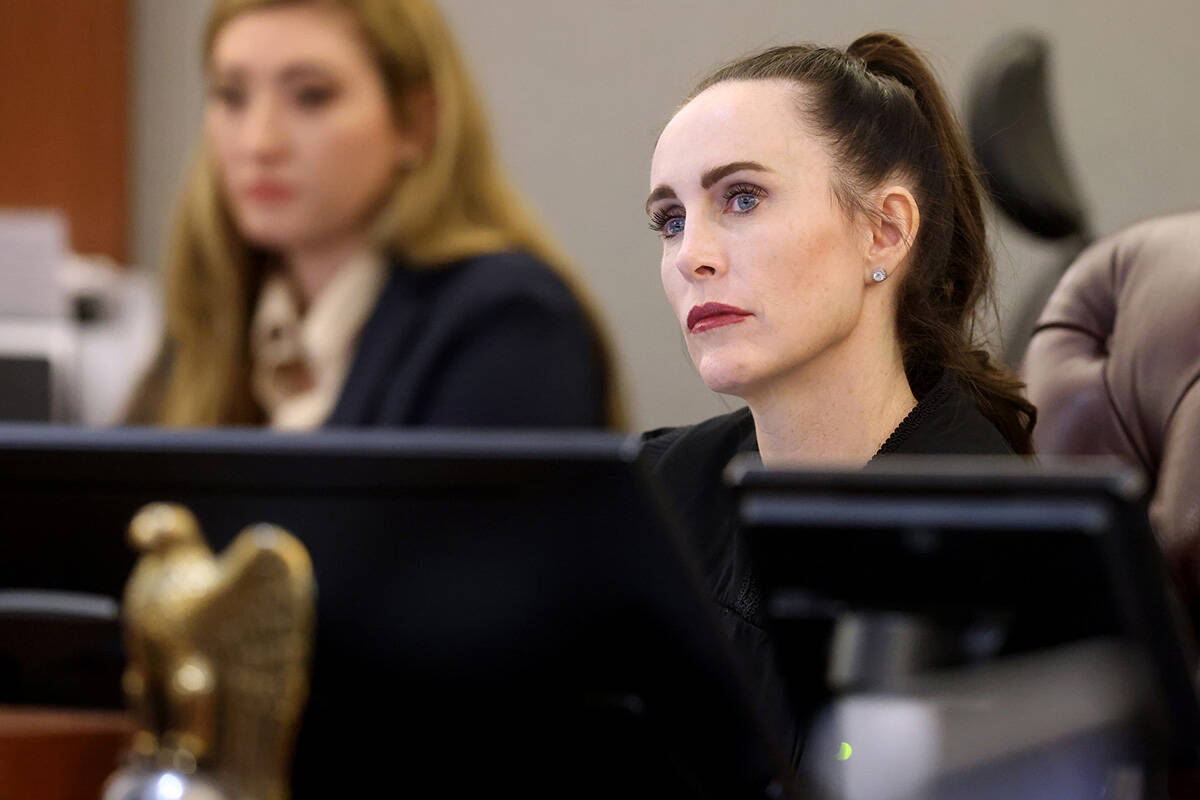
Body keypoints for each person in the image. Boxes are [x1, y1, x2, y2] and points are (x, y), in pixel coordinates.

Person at [640, 34, 1037, 764]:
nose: (692, 254)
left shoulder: (1004, 554)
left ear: (885, 232)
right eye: (670, 219)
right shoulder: (651, 495)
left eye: (743, 198)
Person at [126, 0, 621, 430]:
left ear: (416, 123)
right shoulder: (211, 318)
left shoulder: (507, 320)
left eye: (311, 96)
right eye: (231, 96)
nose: (259, 142)